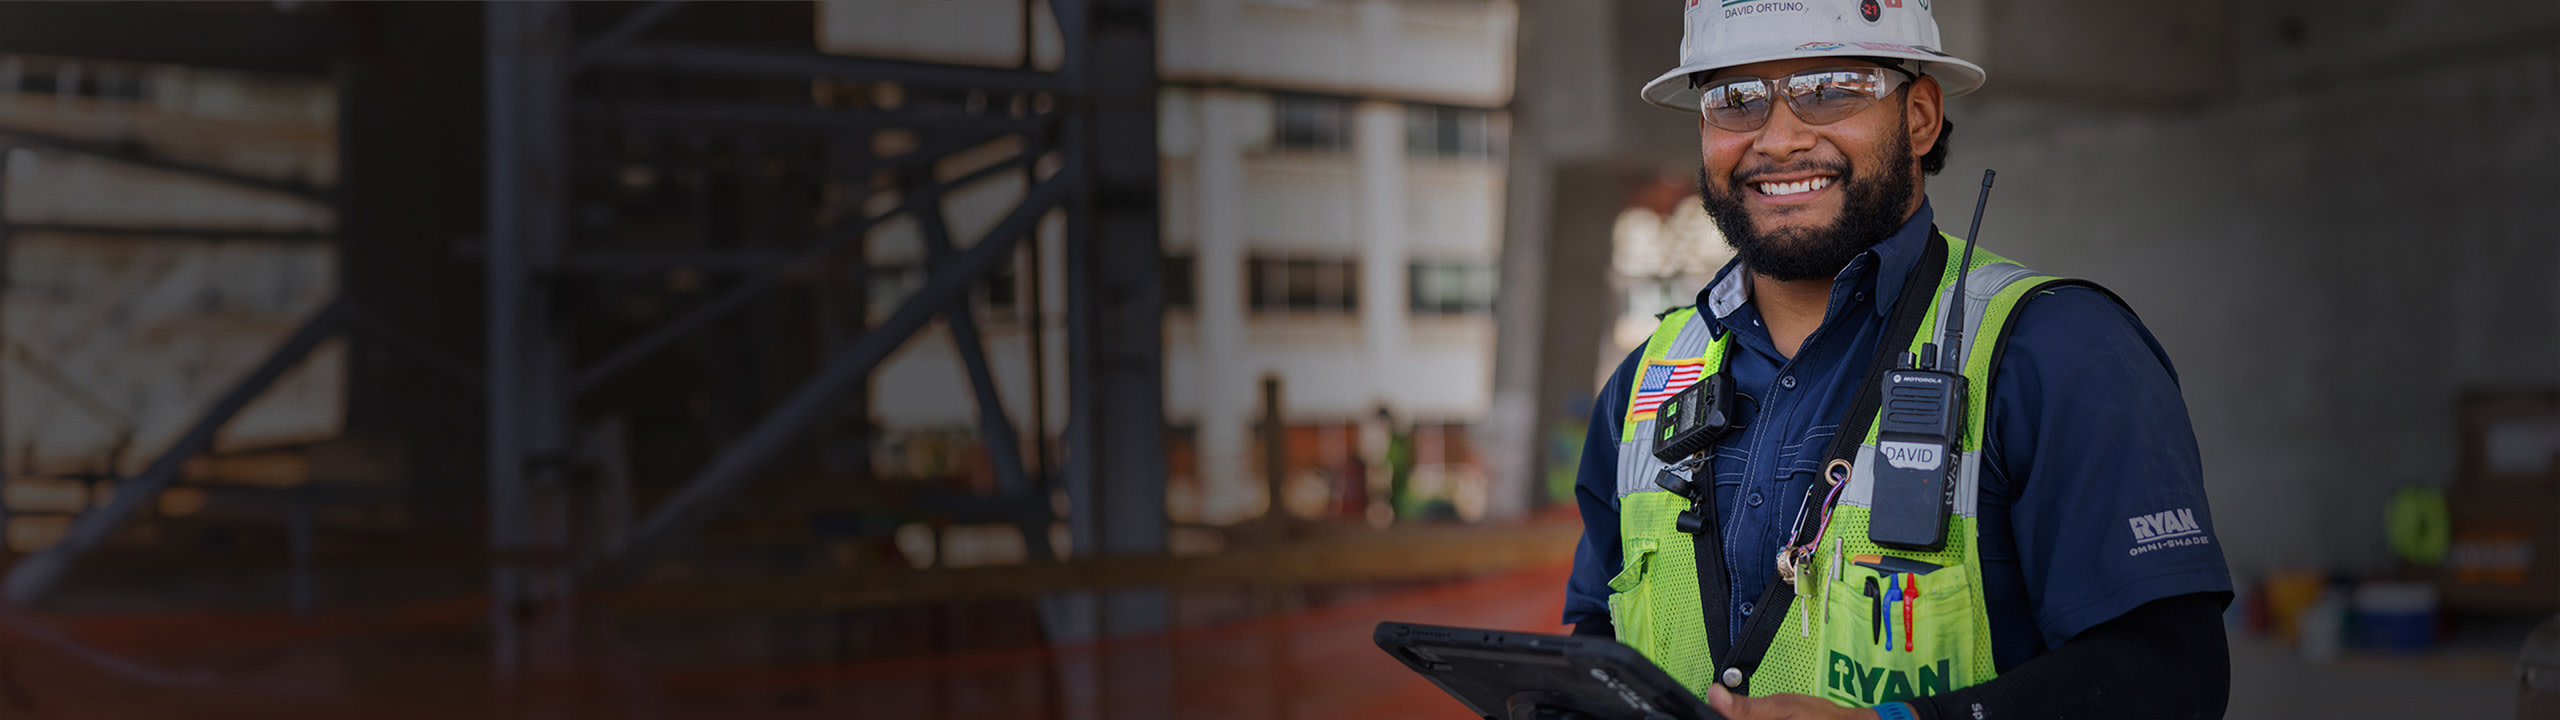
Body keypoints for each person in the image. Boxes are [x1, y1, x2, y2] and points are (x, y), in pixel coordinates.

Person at [1562, 3, 2232, 719]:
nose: (1779, 139)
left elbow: (2171, 676)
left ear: (1919, 116)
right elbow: (1601, 635)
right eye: (1735, 99)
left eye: (1830, 88)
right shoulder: (1648, 380)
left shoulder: (2057, 349)